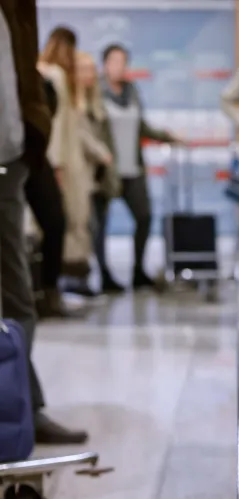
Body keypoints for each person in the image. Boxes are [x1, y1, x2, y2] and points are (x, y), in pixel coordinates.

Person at [0, 2, 89, 444]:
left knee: (19, 302)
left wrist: (29, 140)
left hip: (11, 161)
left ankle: (22, 409)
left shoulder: (16, 8)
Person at [99, 44, 177, 291]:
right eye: (115, 62)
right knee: (99, 225)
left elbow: (141, 126)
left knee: (144, 216)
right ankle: (104, 275)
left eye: (123, 62)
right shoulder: (95, 93)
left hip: (133, 169)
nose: (119, 67)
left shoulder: (132, 91)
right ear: (106, 65)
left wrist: (167, 137)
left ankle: (138, 271)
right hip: (107, 172)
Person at [39, 28, 98, 292]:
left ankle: (60, 285)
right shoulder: (57, 76)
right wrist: (57, 164)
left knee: (70, 222)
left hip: (65, 159)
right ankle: (53, 287)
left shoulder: (56, 76)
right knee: (62, 222)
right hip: (62, 161)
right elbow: (59, 123)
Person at [23, 66, 73, 317]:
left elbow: (49, 103)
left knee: (55, 222)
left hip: (32, 153)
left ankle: (48, 292)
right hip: (7, 158)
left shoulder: (32, 70)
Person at [74, 51, 118, 297]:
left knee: (98, 228)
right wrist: (101, 152)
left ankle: (98, 274)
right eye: (83, 69)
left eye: (91, 69)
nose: (89, 74)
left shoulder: (96, 101)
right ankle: (78, 278)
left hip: (98, 175)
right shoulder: (73, 101)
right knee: (86, 227)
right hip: (81, 175)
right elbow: (81, 137)